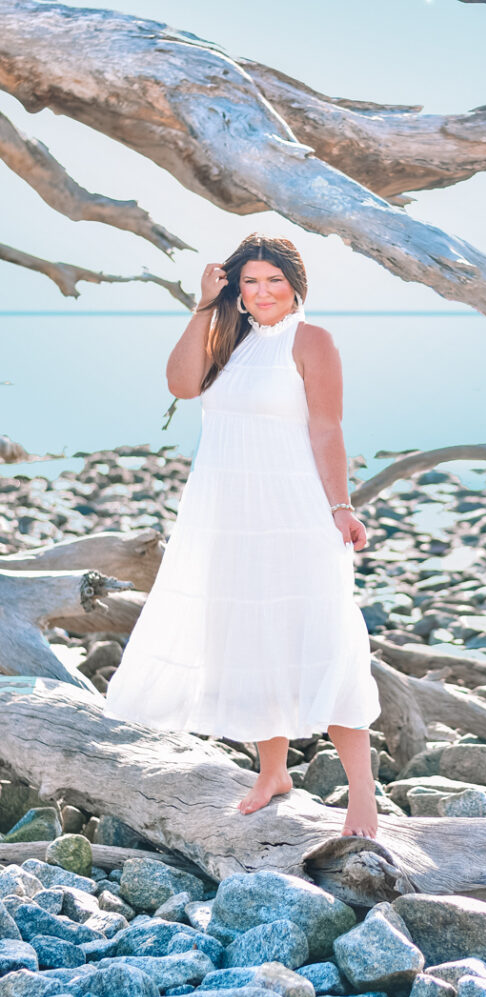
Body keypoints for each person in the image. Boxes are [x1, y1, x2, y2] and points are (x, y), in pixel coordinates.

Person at [102, 232, 382, 838]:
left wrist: (341, 506)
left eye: (273, 281)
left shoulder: (314, 342)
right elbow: (180, 385)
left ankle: (362, 793)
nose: (262, 293)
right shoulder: (229, 338)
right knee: (249, 636)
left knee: (324, 638)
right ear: (235, 286)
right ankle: (272, 773)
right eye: (250, 282)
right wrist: (204, 305)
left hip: (294, 511)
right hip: (227, 513)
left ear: (295, 285)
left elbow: (327, 429)